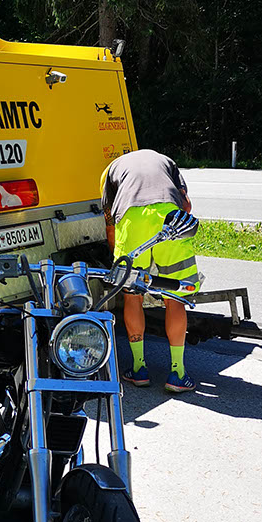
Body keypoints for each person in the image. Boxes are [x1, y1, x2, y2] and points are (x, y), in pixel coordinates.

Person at [101, 148, 199, 394]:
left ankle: (139, 370)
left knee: (132, 295)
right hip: (169, 215)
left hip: (131, 220)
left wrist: (118, 257)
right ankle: (178, 373)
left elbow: (110, 220)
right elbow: (186, 206)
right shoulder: (167, 161)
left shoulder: (111, 169)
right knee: (175, 296)